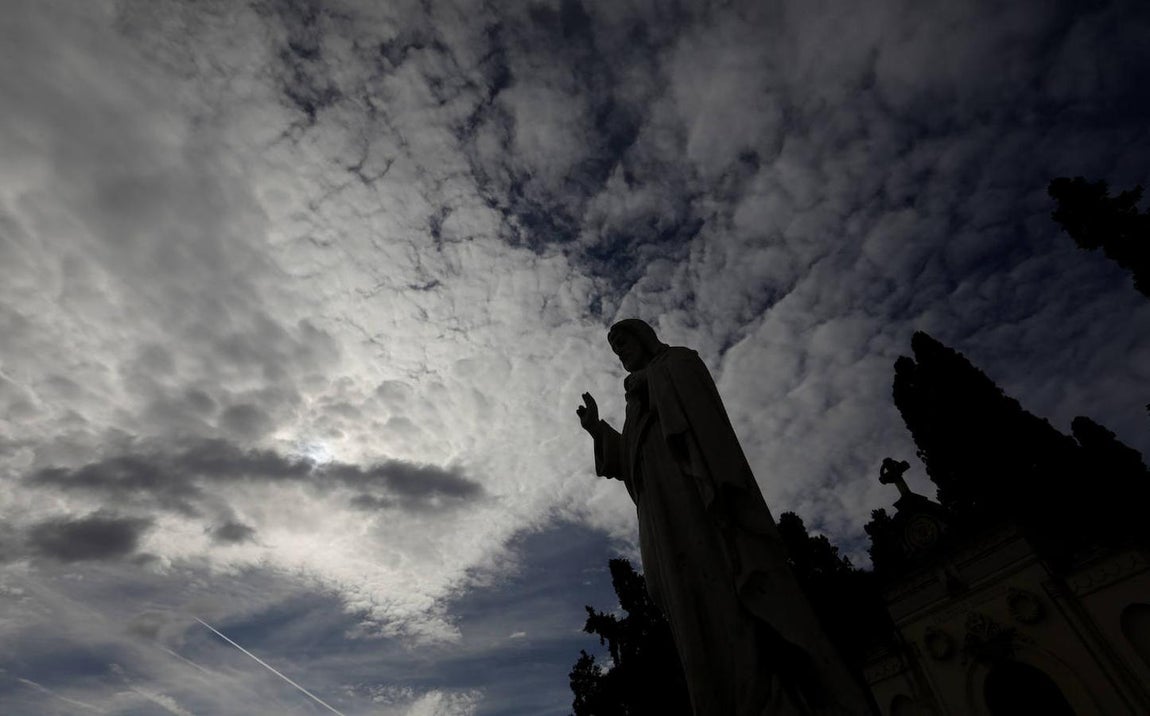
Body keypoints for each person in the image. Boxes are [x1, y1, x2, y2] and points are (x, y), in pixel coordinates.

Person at [577, 319, 870, 715]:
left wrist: (651, 383)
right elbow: (630, 458)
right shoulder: (637, 403)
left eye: (624, 342)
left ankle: (764, 695)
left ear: (643, 338)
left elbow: (700, 417)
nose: (621, 352)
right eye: (615, 349)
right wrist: (598, 430)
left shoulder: (675, 364)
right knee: (682, 601)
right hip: (659, 515)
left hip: (692, 498)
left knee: (719, 593)